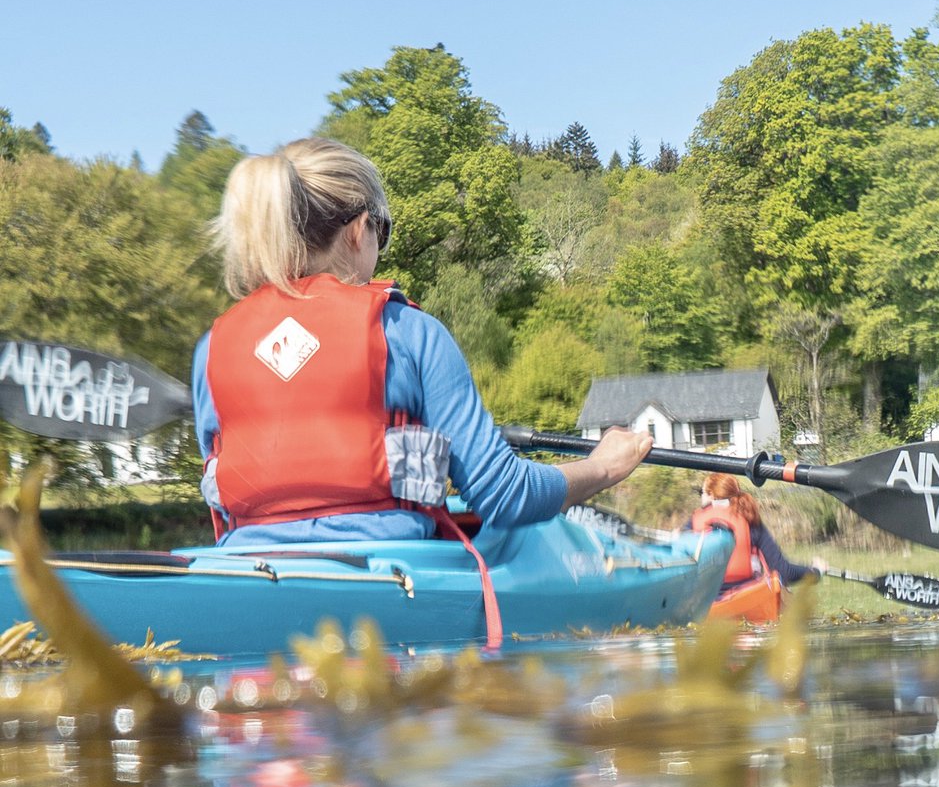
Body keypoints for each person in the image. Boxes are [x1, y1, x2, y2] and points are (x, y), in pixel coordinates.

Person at [192, 137, 651, 545]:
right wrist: (604, 467)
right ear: (358, 229)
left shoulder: (212, 349)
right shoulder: (410, 333)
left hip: (245, 566)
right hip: (389, 583)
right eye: (382, 229)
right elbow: (505, 495)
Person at [690, 473, 826, 589]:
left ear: (710, 495)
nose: (701, 497)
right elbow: (783, 572)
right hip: (745, 597)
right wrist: (815, 571)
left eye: (701, 493)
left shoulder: (694, 522)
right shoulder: (750, 521)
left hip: (704, 601)